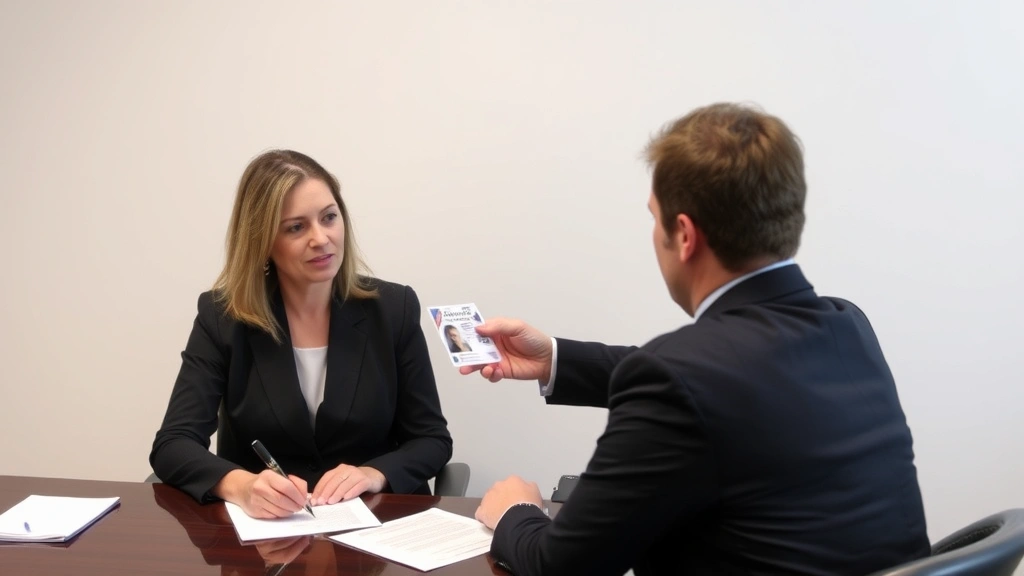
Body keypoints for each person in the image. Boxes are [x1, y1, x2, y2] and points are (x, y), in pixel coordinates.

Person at [464, 103, 929, 575]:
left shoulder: (680, 378)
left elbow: (559, 568)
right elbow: (713, 384)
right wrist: (555, 360)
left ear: (684, 235)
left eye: (654, 217)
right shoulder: (847, 326)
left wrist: (515, 512)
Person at [150, 150, 452, 519]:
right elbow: (174, 443)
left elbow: (431, 439)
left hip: (375, 529)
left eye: (329, 218)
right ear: (263, 242)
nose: (321, 238)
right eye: (296, 227)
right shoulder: (223, 318)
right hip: (269, 532)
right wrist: (240, 486)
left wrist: (373, 474)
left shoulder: (393, 309)